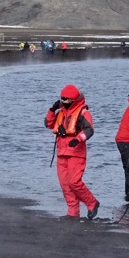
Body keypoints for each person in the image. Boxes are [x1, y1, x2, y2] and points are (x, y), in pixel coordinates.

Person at [44, 84, 100, 220]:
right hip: (61, 153)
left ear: (74, 100)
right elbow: (48, 123)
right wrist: (52, 109)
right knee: (65, 184)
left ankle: (92, 203)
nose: (63, 101)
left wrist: (78, 139)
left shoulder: (83, 112)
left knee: (74, 182)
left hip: (76, 153)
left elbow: (89, 130)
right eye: (62, 99)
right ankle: (72, 213)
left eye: (66, 99)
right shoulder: (61, 112)